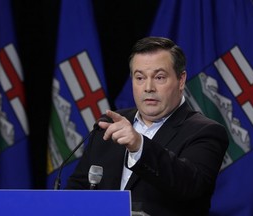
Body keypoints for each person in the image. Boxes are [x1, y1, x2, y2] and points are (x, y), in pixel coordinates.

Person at [66, 37, 229, 216]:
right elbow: (76, 190)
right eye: (140, 78)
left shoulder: (206, 132)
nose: (148, 87)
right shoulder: (111, 125)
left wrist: (139, 146)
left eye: (159, 77)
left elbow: (189, 185)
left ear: (181, 80)